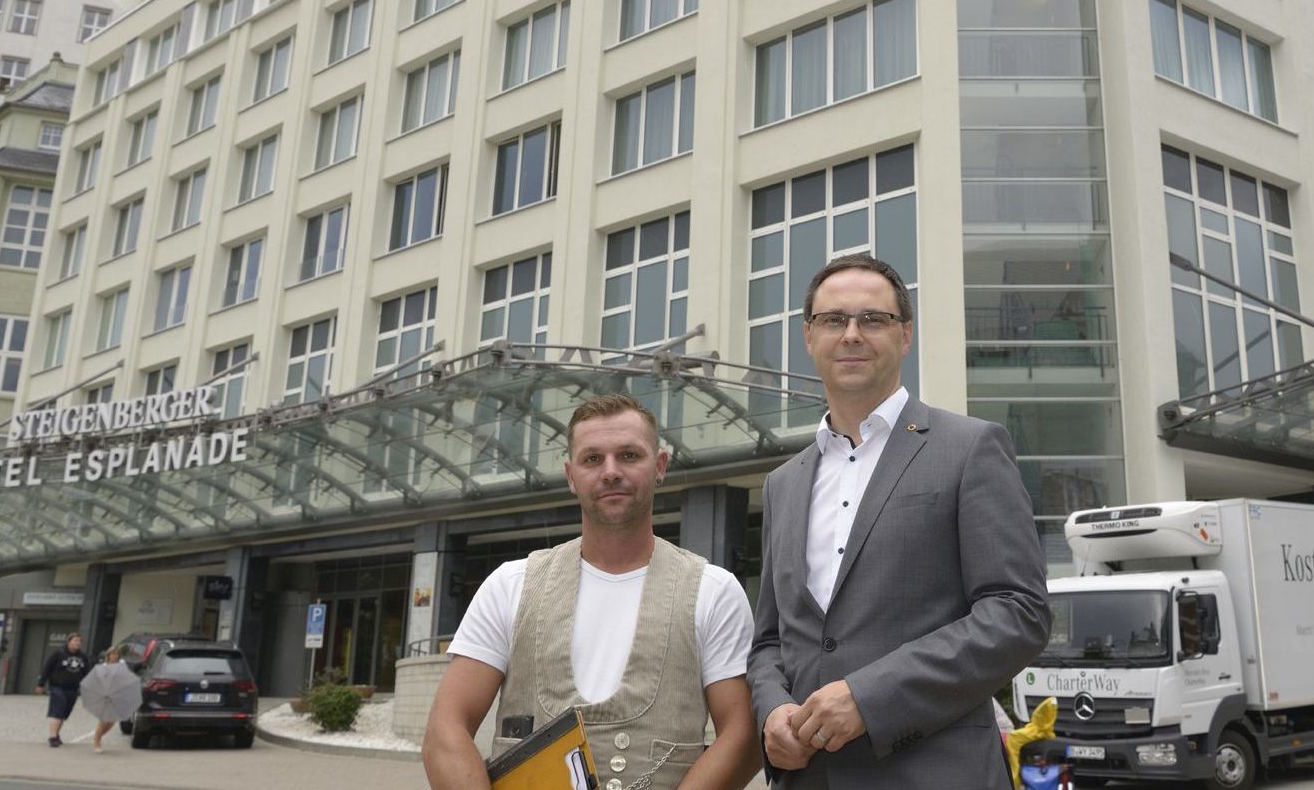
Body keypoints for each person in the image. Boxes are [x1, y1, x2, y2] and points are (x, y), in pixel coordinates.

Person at [748, 253, 1052, 788]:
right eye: (833, 320)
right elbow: (772, 640)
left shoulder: (970, 447)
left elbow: (1018, 611)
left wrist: (870, 698)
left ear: (905, 335)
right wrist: (772, 711)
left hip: (935, 773)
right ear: (808, 336)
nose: (851, 334)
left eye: (873, 319)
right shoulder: (783, 483)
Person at [422, 394, 761, 790]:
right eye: (592, 459)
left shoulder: (713, 591)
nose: (611, 472)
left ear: (660, 466)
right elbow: (445, 731)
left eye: (630, 455)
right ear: (570, 475)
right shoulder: (510, 585)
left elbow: (742, 737)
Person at [34, 632, 89, 747]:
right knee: (58, 709)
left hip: (73, 689)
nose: (77, 643)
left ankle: (56, 735)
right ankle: (52, 737)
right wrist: (41, 684)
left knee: (64, 713)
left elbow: (86, 673)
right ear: (68, 642)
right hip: (57, 687)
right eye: (75, 640)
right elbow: (47, 669)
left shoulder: (83, 657)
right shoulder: (58, 653)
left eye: (79, 641)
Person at [85, 646, 127, 753]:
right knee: (104, 720)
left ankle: (96, 737)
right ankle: (97, 742)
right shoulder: (102, 667)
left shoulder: (122, 665)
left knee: (112, 721)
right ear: (108, 656)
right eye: (113, 654)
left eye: (116, 654)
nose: (115, 656)